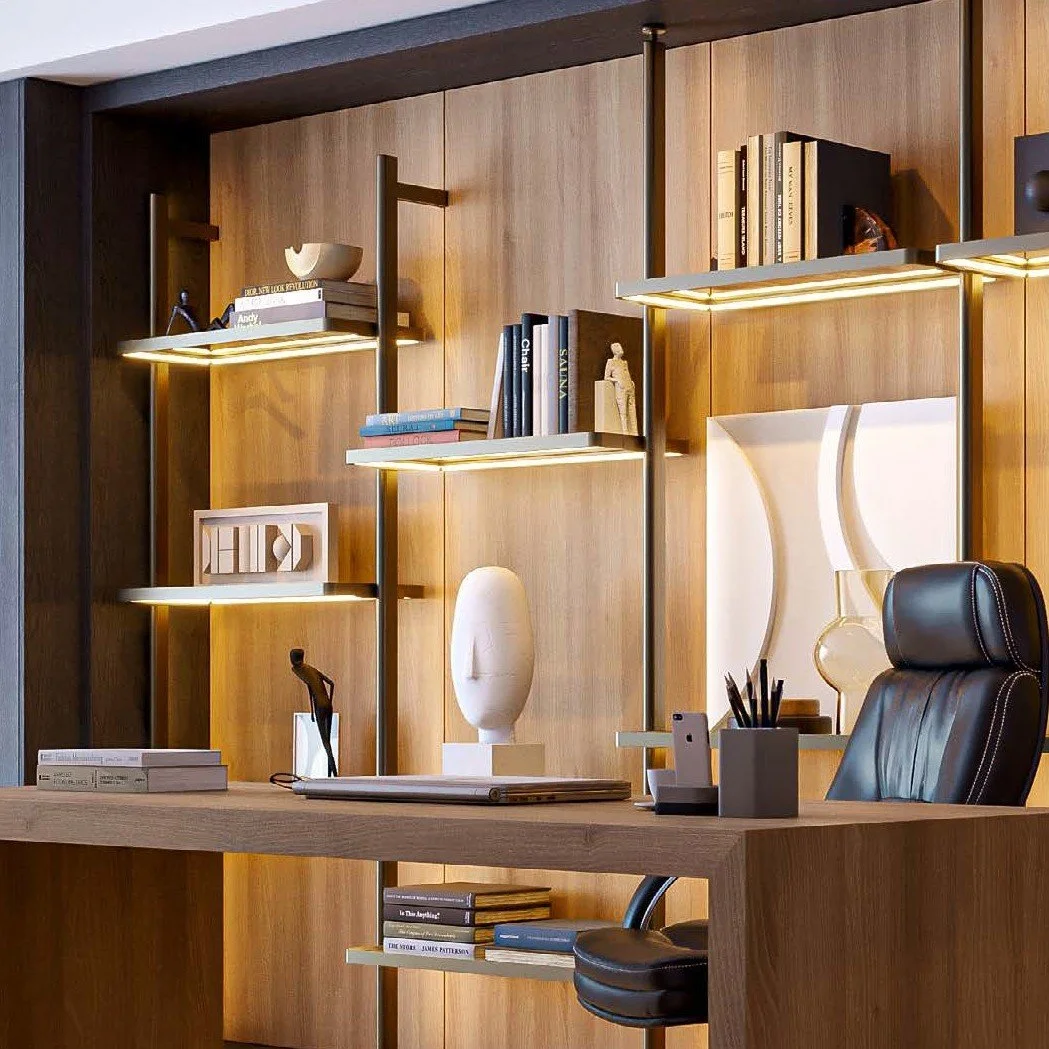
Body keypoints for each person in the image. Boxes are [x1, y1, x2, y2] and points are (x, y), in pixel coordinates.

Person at [290, 648, 338, 777]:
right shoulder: (311, 669)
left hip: (320, 707)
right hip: (327, 705)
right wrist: (329, 701)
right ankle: (330, 776)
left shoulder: (298, 670)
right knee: (327, 741)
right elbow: (331, 684)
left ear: (293, 658)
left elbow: (310, 689)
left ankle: (336, 775)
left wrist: (315, 709)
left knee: (325, 742)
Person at [604, 342, 638, 435]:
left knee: (632, 411)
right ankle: (625, 433)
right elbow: (606, 377)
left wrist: (631, 382)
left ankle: (635, 432)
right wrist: (616, 380)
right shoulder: (611, 362)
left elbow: (627, 374)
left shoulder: (624, 362)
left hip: (629, 387)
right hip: (621, 388)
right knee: (623, 412)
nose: (621, 349)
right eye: (619, 347)